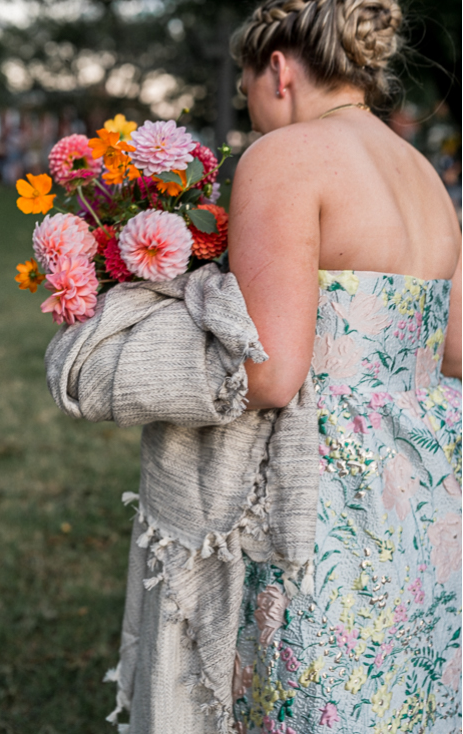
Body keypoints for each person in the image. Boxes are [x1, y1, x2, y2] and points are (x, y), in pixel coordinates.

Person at [228, 0, 461, 731]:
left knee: (314, 692)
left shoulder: (285, 158)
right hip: (429, 484)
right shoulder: (422, 173)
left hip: (331, 489)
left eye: (247, 95)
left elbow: (272, 374)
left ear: (277, 69)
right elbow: (453, 350)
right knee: (403, 693)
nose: (253, 116)